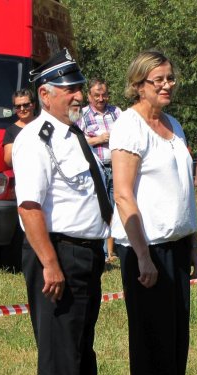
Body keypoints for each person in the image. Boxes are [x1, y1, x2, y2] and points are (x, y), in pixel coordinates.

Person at [12, 49, 112, 375]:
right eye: (70, 89)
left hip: (85, 256)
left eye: (79, 88)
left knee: (81, 349)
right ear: (45, 94)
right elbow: (29, 207)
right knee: (60, 354)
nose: (79, 96)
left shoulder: (72, 135)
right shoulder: (35, 139)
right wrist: (51, 264)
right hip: (58, 255)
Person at [110, 50, 197, 375]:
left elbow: (184, 190)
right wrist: (143, 256)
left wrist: (193, 244)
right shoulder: (128, 127)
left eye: (170, 78)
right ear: (138, 85)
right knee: (151, 336)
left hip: (177, 245)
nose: (167, 85)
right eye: (158, 80)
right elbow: (123, 194)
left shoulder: (174, 125)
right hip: (145, 248)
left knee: (176, 333)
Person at [77, 78, 122, 262]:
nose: (101, 99)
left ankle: (117, 248)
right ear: (89, 96)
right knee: (101, 208)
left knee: (119, 206)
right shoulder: (81, 115)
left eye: (104, 95)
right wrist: (99, 139)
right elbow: (77, 141)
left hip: (118, 167)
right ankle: (103, 251)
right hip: (96, 168)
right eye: (97, 95)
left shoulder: (117, 112)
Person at [3, 88, 36, 167]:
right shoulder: (11, 130)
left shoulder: (44, 124)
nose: (22, 109)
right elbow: (8, 161)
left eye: (26, 105)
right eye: (18, 106)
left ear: (34, 105)